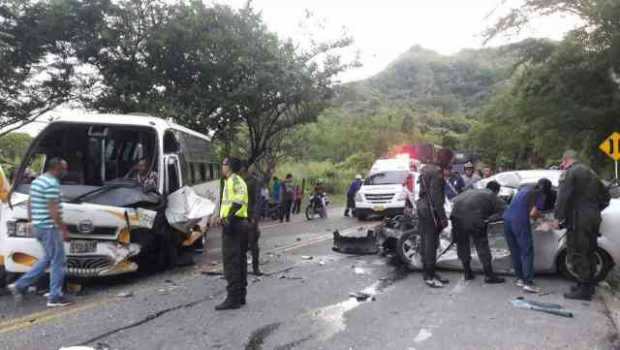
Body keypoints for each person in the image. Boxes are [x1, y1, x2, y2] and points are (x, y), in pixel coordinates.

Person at [8, 158, 73, 307]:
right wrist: (64, 230)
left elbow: (30, 202)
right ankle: (54, 297)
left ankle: (20, 285)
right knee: (58, 261)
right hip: (49, 227)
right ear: (56, 168)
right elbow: (54, 211)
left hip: (38, 226)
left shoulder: (38, 181)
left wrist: (32, 221)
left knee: (48, 258)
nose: (66, 172)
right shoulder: (52, 184)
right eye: (64, 169)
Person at [555, 150, 610, 301]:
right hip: (593, 218)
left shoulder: (570, 173)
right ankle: (587, 285)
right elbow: (606, 197)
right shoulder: (592, 173)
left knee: (578, 252)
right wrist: (594, 210)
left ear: (566, 160)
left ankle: (584, 290)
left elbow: (562, 197)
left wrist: (557, 218)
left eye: (562, 163)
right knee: (590, 250)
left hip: (578, 218)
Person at [503, 178, 554, 293]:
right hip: (519, 221)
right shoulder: (540, 194)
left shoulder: (524, 189)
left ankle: (519, 279)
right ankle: (528, 283)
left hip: (507, 219)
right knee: (527, 251)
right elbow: (533, 213)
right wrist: (543, 220)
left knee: (515, 250)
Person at [450, 181, 506, 283]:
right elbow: (504, 210)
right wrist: (489, 219)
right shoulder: (491, 194)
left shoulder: (471, 191)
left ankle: (467, 272)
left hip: (456, 218)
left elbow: (454, 201)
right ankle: (489, 275)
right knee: (482, 244)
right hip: (474, 220)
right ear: (496, 190)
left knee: (462, 245)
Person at [215, 157, 249, 310]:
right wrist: (221, 216)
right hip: (240, 223)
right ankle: (240, 295)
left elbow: (238, 201)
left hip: (234, 225)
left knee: (231, 262)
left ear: (229, 167)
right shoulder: (236, 181)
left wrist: (228, 218)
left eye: (223, 164)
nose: (222, 167)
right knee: (240, 260)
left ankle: (233, 298)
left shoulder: (233, 180)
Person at [417, 149, 451, 288]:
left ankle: (429, 272)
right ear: (446, 159)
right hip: (430, 211)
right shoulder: (437, 172)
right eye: (451, 160)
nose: (451, 163)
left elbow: (421, 192)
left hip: (422, 207)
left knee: (426, 242)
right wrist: (443, 218)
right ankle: (429, 276)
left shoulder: (426, 168)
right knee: (431, 243)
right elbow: (436, 198)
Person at [240, 161, 263, 276]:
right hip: (239, 217)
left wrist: (255, 217)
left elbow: (257, 201)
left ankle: (255, 267)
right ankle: (242, 268)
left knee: (253, 244)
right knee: (241, 245)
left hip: (250, 216)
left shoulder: (254, 182)